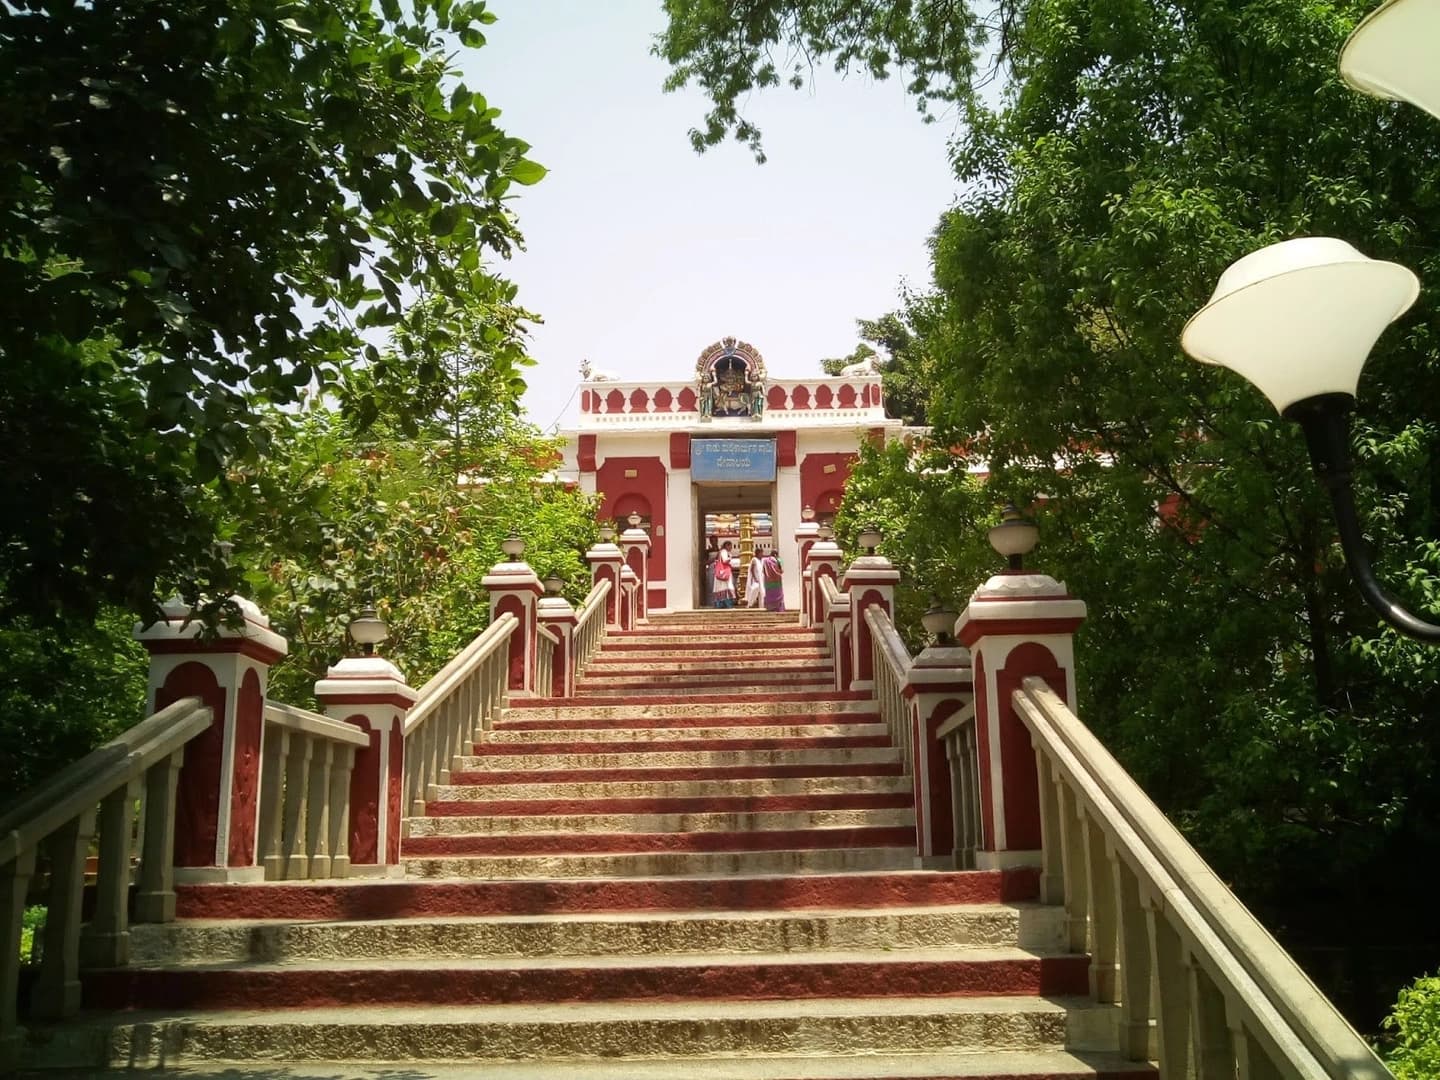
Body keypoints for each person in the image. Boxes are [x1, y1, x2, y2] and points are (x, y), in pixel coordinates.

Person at [711, 541, 737, 608]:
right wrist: (730, 557)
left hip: (720, 573)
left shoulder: (721, 552)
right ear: (727, 546)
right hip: (724, 573)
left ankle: (720, 605)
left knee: (721, 589)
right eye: (730, 546)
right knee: (727, 587)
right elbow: (725, 560)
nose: (731, 548)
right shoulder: (724, 551)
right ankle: (728, 605)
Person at [760, 547, 785, 611]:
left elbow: (763, 571)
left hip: (768, 582)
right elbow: (782, 570)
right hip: (777, 582)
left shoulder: (765, 561)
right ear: (776, 554)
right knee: (778, 594)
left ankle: (770, 608)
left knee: (770, 594)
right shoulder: (778, 560)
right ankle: (778, 608)